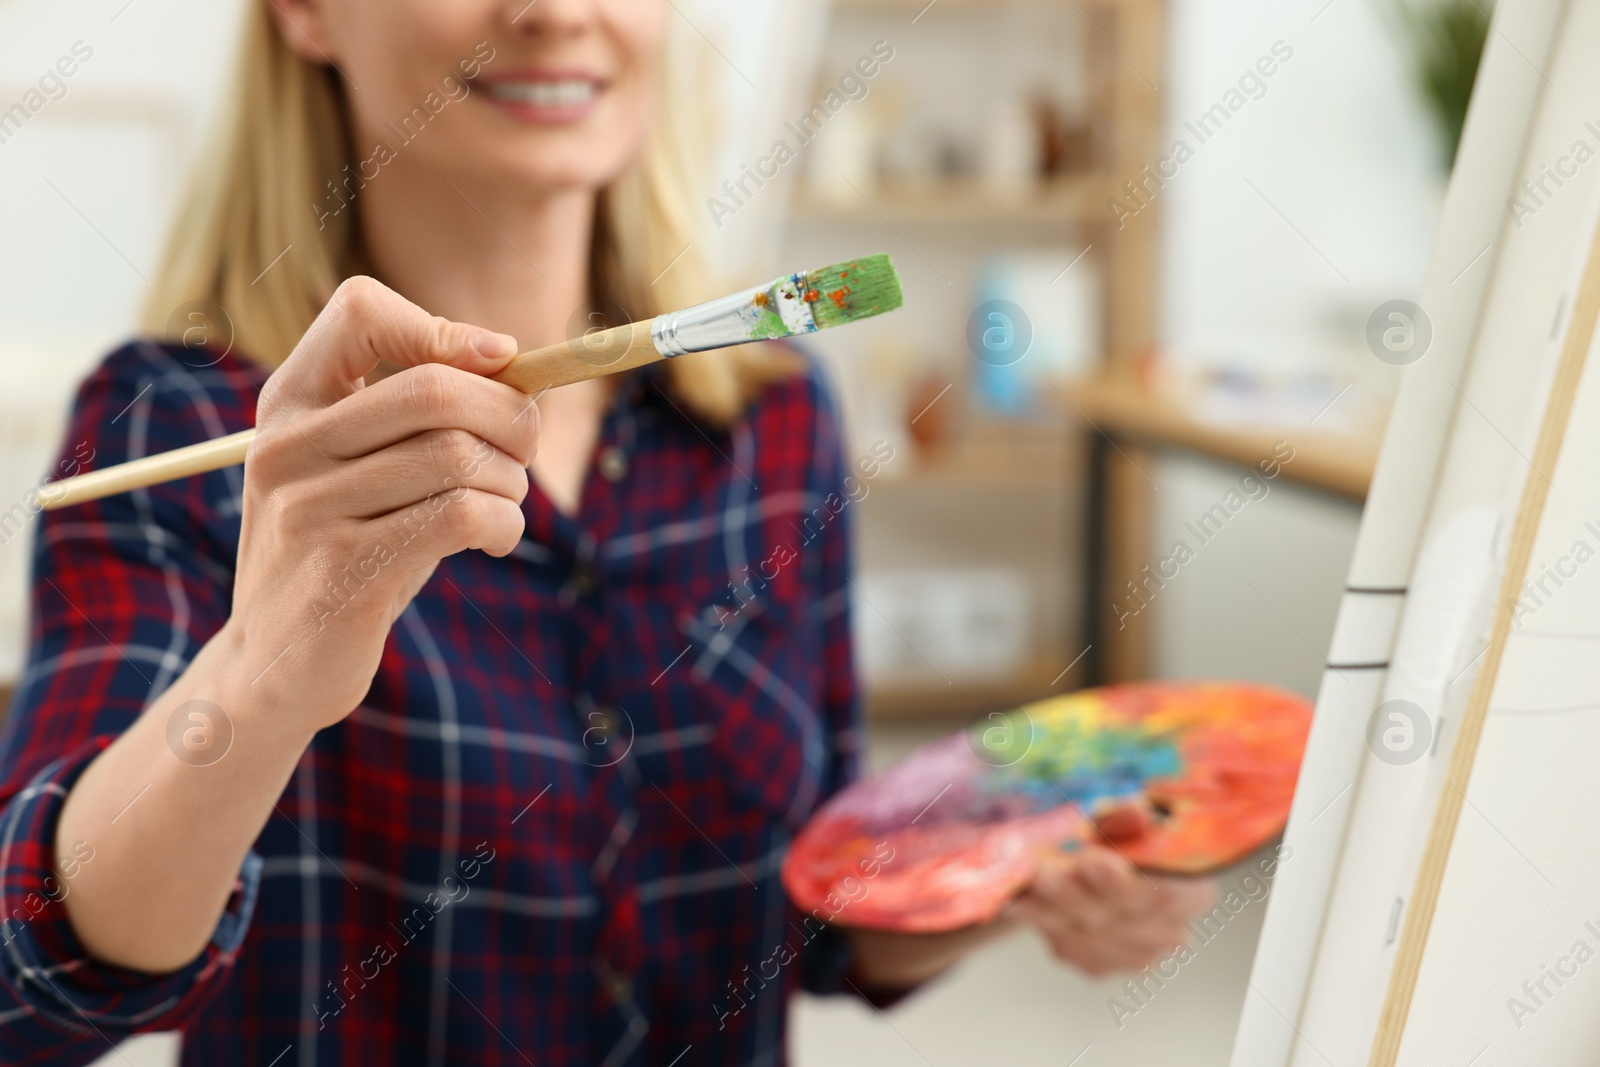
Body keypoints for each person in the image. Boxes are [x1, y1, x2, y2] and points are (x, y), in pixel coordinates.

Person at [0, 0, 1213, 1063]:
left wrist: (1021, 877)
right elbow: (35, 977)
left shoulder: (776, 419)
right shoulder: (175, 429)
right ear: (305, 10)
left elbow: (816, 918)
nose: (557, 8)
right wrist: (262, 673)